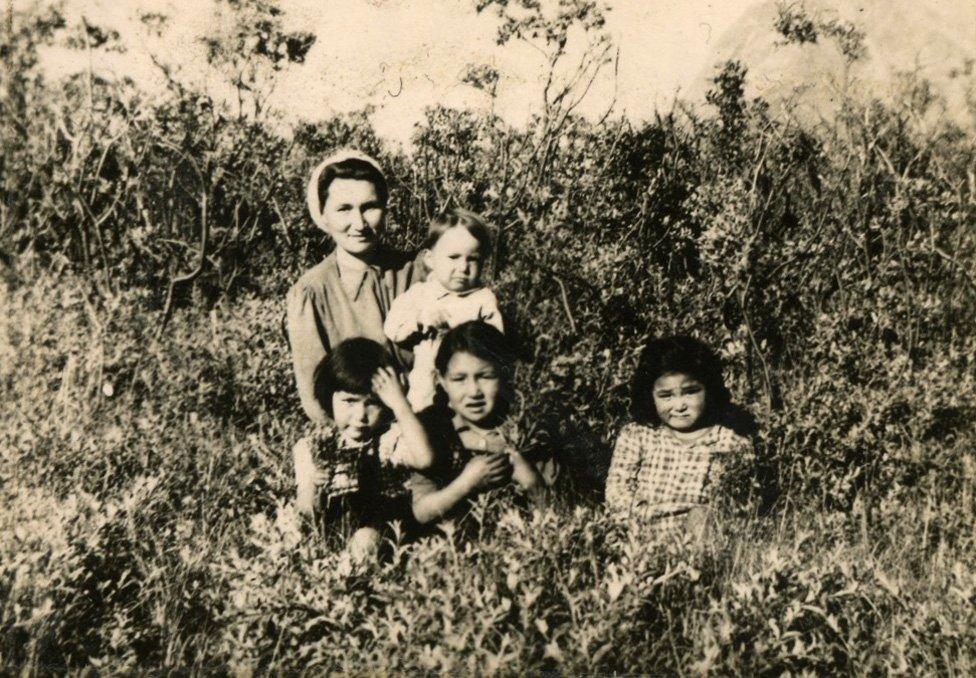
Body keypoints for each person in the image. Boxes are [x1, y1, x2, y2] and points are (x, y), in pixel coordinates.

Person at [286, 149, 424, 424]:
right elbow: (315, 395)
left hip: (425, 425)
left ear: (385, 210)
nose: (359, 224)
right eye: (344, 209)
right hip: (354, 434)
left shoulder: (417, 272)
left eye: (369, 207)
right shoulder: (310, 293)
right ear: (324, 216)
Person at [292, 338, 434, 559]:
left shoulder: (390, 439)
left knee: (365, 539)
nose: (360, 416)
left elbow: (425, 458)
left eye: (372, 403)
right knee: (290, 529)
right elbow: (305, 509)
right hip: (331, 531)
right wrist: (313, 485)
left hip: (381, 529)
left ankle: (349, 580)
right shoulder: (314, 446)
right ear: (329, 398)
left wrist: (399, 403)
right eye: (349, 401)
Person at [402, 321, 551, 527]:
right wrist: (467, 483)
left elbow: (560, 508)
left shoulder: (526, 426)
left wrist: (533, 484)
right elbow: (422, 511)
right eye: (459, 379)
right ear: (441, 380)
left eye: (485, 376)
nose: (473, 391)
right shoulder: (433, 427)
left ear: (504, 374)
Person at [604, 335, 752, 534]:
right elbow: (617, 494)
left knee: (703, 518)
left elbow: (727, 507)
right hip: (636, 536)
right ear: (650, 396)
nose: (679, 406)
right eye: (666, 396)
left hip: (693, 542)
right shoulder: (637, 436)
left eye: (690, 392)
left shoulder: (729, 442)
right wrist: (662, 513)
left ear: (709, 390)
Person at [383, 208, 503, 411]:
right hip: (425, 382)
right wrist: (419, 321)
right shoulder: (420, 294)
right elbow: (392, 327)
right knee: (421, 419)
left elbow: (496, 345)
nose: (463, 267)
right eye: (453, 257)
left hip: (468, 384)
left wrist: (460, 333)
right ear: (430, 259)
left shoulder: (483, 300)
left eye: (472, 259)